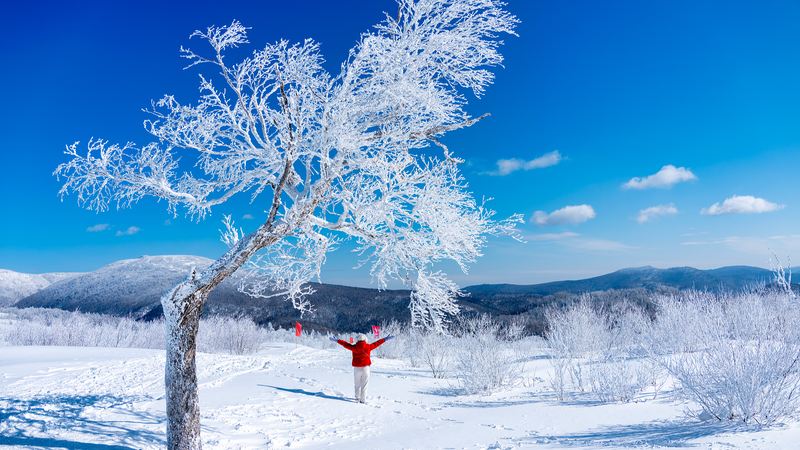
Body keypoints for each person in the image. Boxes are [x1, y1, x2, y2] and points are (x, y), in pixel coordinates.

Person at [330, 333, 394, 404]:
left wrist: (337, 340)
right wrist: (385, 339)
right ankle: (362, 400)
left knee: (357, 384)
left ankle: (357, 397)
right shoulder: (368, 346)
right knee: (364, 385)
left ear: (357, 340)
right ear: (365, 339)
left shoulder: (353, 347)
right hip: (366, 368)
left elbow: (345, 344)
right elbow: (377, 343)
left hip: (357, 369)